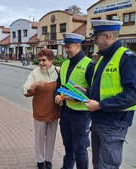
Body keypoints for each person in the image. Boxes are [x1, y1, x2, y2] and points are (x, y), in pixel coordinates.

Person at [84, 20, 136, 169]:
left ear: (108, 36)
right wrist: (87, 92)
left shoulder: (127, 58)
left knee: (107, 166)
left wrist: (100, 105)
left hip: (114, 124)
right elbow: (104, 89)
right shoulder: (103, 59)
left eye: (96, 37)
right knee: (98, 164)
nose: (95, 41)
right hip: (99, 120)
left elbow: (133, 95)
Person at [54, 33, 95, 169]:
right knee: (68, 145)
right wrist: (56, 95)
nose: (66, 49)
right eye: (65, 46)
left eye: (69, 46)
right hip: (65, 112)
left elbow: (94, 92)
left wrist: (77, 98)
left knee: (80, 149)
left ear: (78, 46)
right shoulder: (64, 64)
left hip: (81, 115)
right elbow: (59, 85)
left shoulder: (89, 64)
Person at [22, 49, 60, 169]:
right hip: (40, 112)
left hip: (54, 112)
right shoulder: (35, 73)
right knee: (39, 138)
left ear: (51, 61)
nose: (41, 63)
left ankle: (48, 160)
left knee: (51, 138)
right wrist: (34, 85)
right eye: (39, 60)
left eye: (44, 60)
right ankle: (40, 160)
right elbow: (25, 89)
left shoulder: (58, 71)